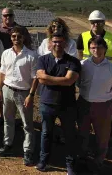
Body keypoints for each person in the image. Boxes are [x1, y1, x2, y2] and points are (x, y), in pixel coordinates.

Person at [35, 33, 81, 174]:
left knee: (69, 135)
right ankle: (43, 161)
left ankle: (70, 165)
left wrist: (48, 78)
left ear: (65, 44)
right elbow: (41, 79)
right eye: (54, 42)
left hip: (67, 105)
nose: (57, 44)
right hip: (47, 103)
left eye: (60, 42)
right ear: (50, 43)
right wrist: (62, 80)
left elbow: (69, 80)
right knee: (46, 133)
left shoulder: (74, 61)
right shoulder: (42, 59)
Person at [77, 37, 112, 174]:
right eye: (93, 48)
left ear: (105, 49)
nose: (96, 50)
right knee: (82, 133)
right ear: (89, 49)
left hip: (103, 107)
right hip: (84, 104)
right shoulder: (83, 65)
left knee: (102, 137)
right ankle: (82, 160)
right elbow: (78, 82)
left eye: (99, 47)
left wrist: (103, 99)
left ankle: (98, 162)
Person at [0, 27, 39, 167]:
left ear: (23, 38)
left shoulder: (32, 56)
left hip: (23, 93)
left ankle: (28, 152)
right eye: (13, 36)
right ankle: (7, 145)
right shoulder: (6, 53)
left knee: (27, 124)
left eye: (18, 36)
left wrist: (31, 95)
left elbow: (34, 78)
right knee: (8, 120)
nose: (15, 39)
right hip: (7, 90)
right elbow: (2, 72)